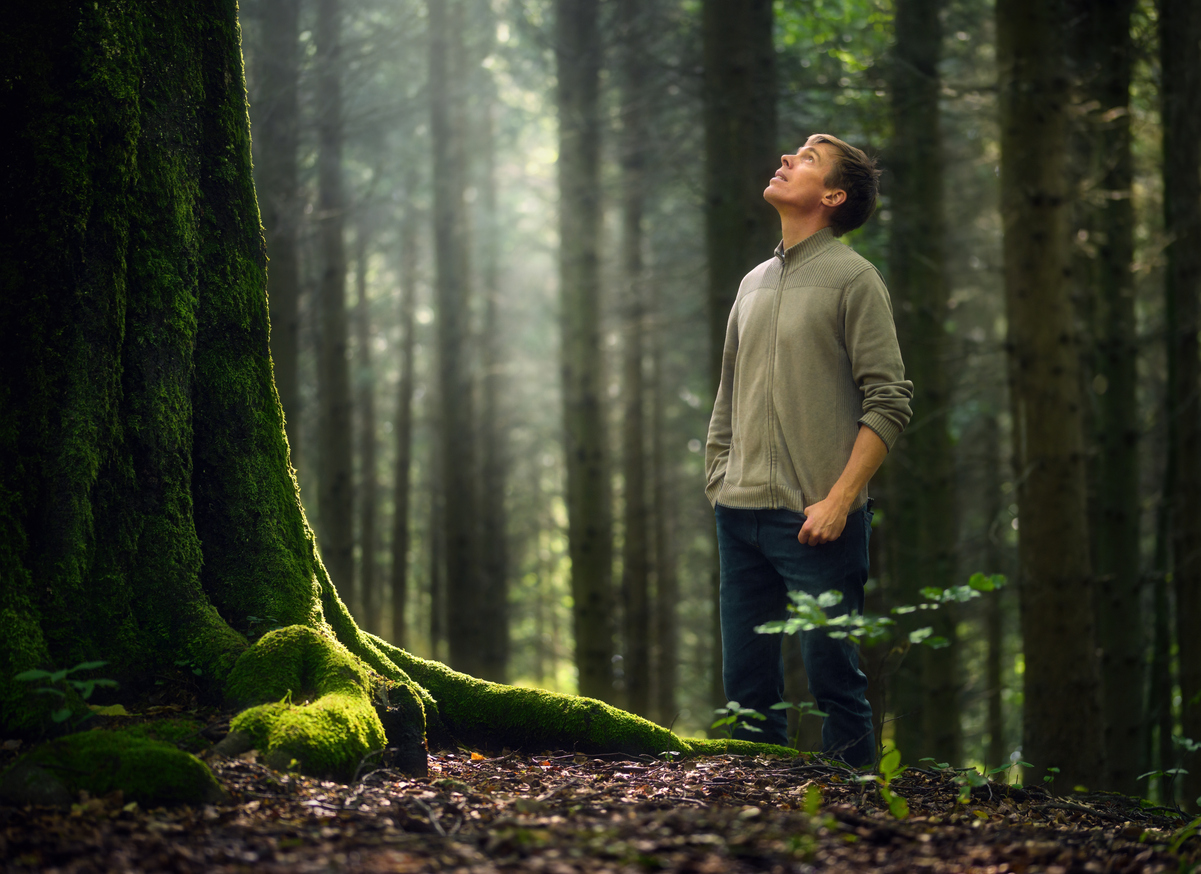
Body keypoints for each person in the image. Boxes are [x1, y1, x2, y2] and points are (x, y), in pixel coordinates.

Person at [704, 134, 912, 767]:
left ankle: (853, 826)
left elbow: (890, 400)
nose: (788, 159)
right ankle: (759, 826)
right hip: (738, 514)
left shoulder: (854, 278)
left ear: (832, 195)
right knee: (748, 689)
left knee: (835, 684)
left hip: (818, 522)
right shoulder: (753, 282)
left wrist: (839, 501)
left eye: (808, 159)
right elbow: (728, 391)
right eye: (792, 152)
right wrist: (719, 474)